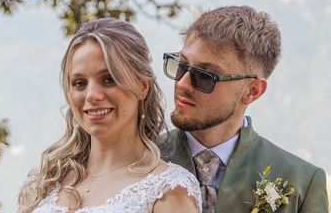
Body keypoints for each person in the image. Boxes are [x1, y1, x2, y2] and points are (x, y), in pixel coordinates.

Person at [18, 18, 201, 213]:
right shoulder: (48, 181)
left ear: (142, 87)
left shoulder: (169, 190)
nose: (92, 96)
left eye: (108, 79)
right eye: (80, 83)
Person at [161, 6, 328, 213]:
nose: (183, 84)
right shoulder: (138, 159)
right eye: (181, 65)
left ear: (252, 91)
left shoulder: (301, 182)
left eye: (205, 76)